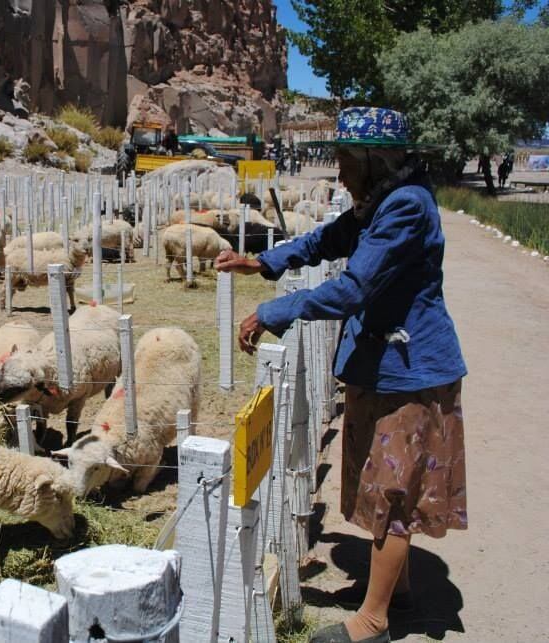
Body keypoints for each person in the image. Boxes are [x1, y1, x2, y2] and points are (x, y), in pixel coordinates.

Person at [215, 107, 467, 643]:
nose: (340, 170)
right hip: (385, 363)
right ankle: (390, 593)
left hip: (411, 369)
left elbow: (354, 289)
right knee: (382, 481)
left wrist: (274, 312)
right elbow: (327, 240)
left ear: (376, 161)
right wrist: (264, 263)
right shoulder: (382, 202)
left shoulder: (405, 207)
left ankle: (373, 622)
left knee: (395, 490)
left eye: (347, 159)